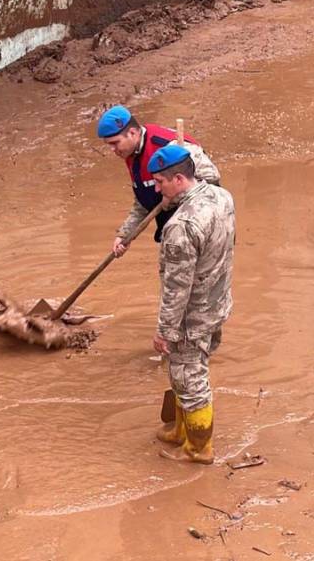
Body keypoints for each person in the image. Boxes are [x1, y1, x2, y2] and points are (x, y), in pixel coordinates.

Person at [147, 144, 235, 464]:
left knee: (189, 378)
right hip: (217, 301)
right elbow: (206, 169)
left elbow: (176, 288)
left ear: (180, 179)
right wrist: (187, 149)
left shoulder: (181, 227)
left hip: (191, 315)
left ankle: (199, 448)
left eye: (160, 182)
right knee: (187, 370)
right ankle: (181, 430)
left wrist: (165, 331)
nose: (156, 190)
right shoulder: (220, 196)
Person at [96, 105, 220, 257]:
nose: (112, 149)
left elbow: (212, 182)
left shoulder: (169, 147)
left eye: (115, 143)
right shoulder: (131, 154)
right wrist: (125, 235)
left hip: (200, 229)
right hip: (173, 232)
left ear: (132, 133)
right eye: (109, 145)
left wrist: (175, 197)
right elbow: (143, 201)